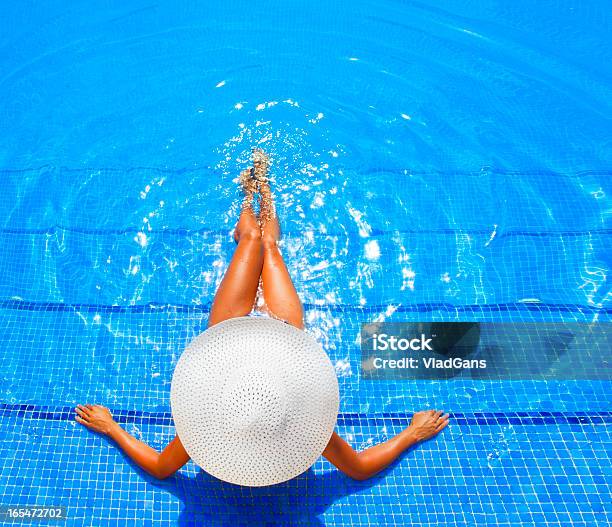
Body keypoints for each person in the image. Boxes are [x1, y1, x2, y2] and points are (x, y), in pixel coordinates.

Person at [75, 148, 449, 482]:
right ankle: (261, 186)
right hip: (283, 337)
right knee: (268, 245)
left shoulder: (210, 429)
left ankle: (250, 192)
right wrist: (412, 433)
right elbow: (358, 469)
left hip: (230, 337)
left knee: (253, 239)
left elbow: (160, 468)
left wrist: (111, 427)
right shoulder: (304, 427)